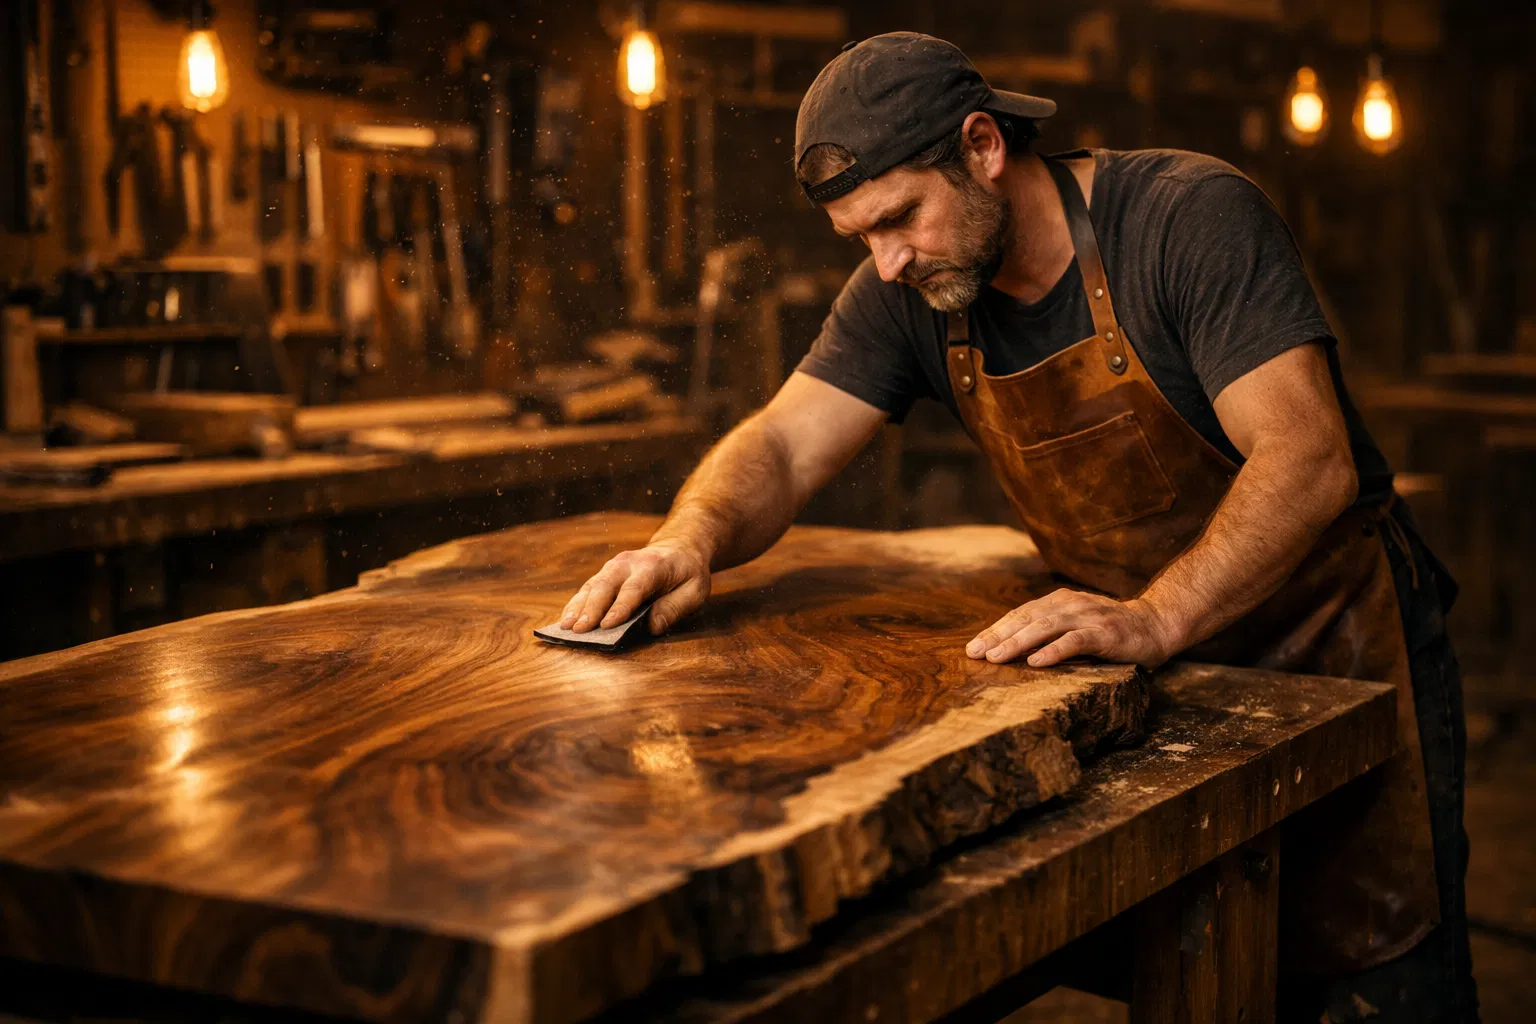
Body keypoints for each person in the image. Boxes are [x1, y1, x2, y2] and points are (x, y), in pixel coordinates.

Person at [558, 32, 1474, 1021]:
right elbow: (781, 446)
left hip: (1333, 650)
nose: (888, 259)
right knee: (1198, 967)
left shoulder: (1184, 218)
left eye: (901, 217)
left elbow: (1307, 459)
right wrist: (688, 539)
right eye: (862, 236)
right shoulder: (911, 293)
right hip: (1165, 685)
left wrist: (1159, 615)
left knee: (1375, 977)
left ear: (984, 145)